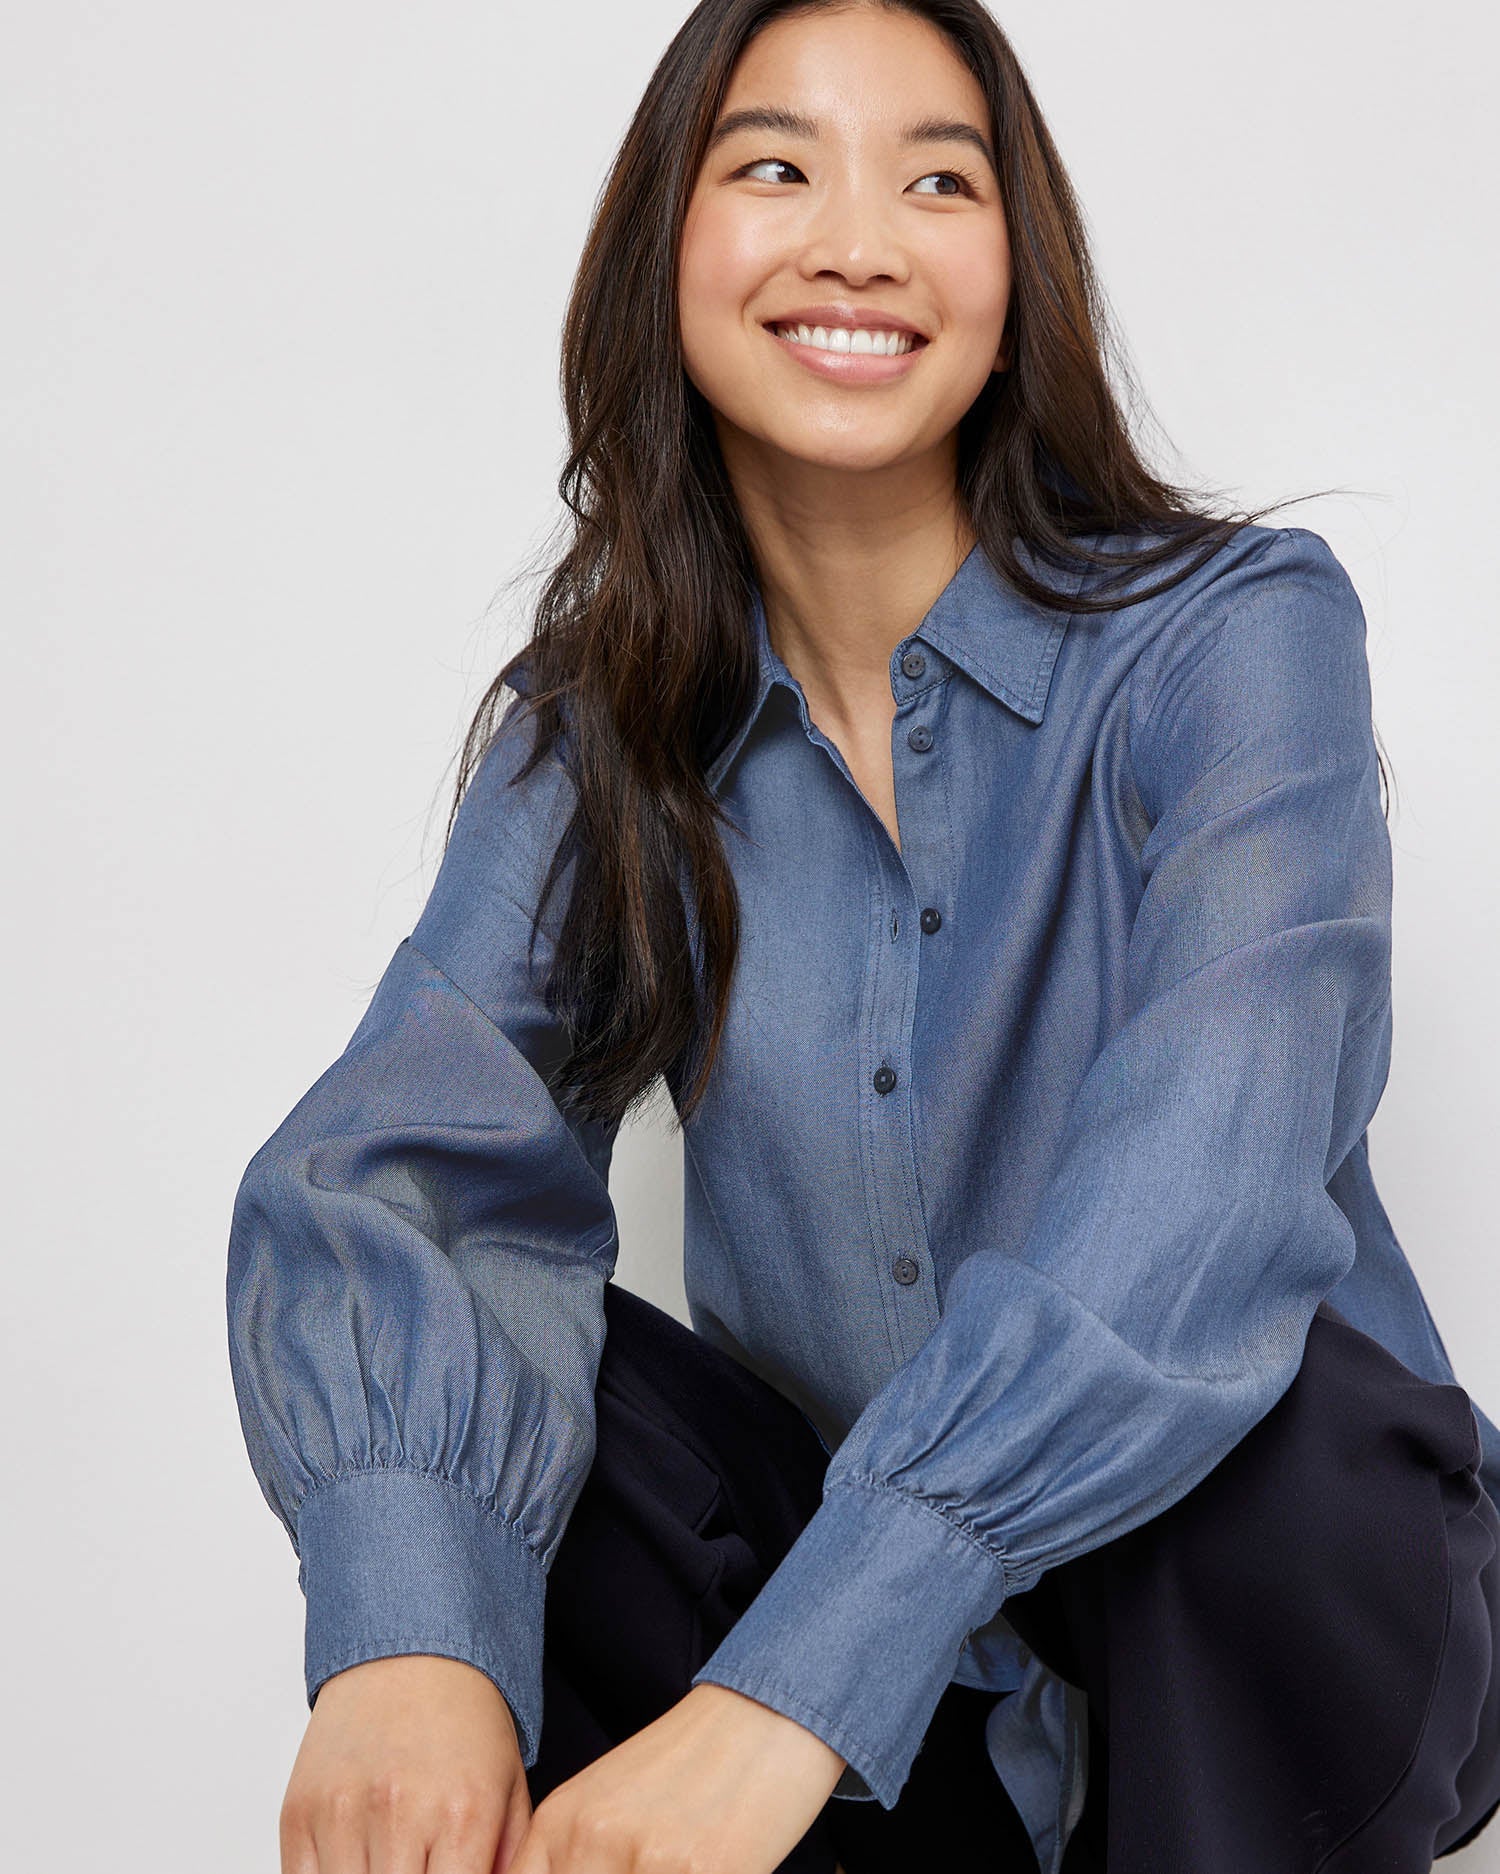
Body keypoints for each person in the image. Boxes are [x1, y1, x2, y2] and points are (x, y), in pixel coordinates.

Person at [225, 3, 1500, 1870]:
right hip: (910, 1723)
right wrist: (411, 1631)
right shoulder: (605, 732)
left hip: (1282, 1646)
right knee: (530, 1428)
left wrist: (798, 1677)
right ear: (667, 239)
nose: (858, 237)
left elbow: (1209, 1184)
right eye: (774, 167)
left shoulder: (1233, 638)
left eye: (936, 177)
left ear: (1016, 265)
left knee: (1259, 1406)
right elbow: (401, 1160)